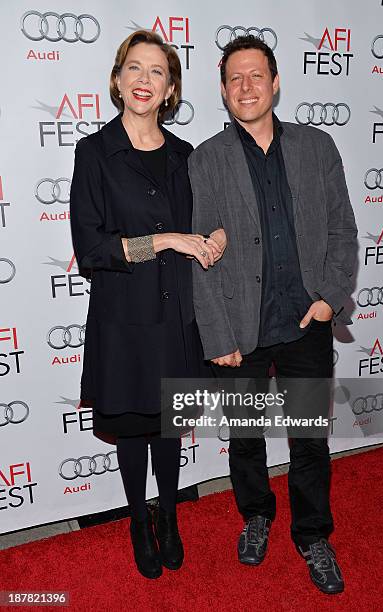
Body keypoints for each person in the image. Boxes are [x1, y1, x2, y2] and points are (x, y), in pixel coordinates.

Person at [189, 35, 357, 595]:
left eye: (256, 75)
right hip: (240, 330)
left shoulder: (317, 147)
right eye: (234, 78)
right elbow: (201, 254)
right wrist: (217, 334)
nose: (246, 87)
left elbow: (342, 230)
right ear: (222, 90)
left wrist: (331, 297)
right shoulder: (206, 159)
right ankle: (256, 514)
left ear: (276, 81)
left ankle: (313, 536)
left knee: (309, 439)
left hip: (305, 322)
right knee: (245, 435)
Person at [70, 30, 226, 580]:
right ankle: (139, 519)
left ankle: (170, 516)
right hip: (124, 320)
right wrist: (164, 240)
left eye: (156, 71)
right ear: (117, 80)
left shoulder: (188, 156)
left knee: (167, 426)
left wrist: (215, 238)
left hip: (176, 318)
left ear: (171, 88)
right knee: (134, 426)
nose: (143, 79)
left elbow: (209, 224)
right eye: (134, 68)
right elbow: (91, 250)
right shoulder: (94, 153)